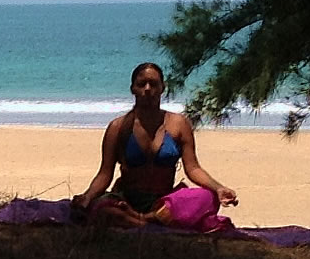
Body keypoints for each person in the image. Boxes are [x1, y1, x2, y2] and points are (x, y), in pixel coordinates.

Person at [71, 62, 238, 228]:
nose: (148, 89)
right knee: (102, 209)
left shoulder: (178, 124)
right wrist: (88, 196)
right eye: (141, 84)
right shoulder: (118, 127)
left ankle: (141, 219)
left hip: (164, 202)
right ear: (133, 89)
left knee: (207, 197)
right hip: (127, 200)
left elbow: (193, 168)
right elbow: (105, 174)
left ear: (163, 88)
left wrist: (218, 188)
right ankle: (149, 221)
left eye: (154, 84)